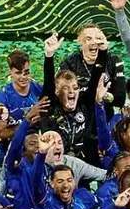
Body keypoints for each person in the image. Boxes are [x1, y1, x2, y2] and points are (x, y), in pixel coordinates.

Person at [39, 32, 103, 167]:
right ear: (57, 92)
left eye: (75, 88)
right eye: (65, 88)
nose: (72, 92)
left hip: (83, 166)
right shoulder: (50, 106)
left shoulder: (84, 104)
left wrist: (102, 52)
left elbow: (94, 80)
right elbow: (48, 85)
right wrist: (49, 56)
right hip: (55, 166)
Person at [59, 23, 125, 119]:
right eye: (88, 39)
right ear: (80, 43)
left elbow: (120, 99)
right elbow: (63, 96)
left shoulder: (114, 61)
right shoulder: (69, 63)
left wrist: (104, 96)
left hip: (105, 116)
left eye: (98, 38)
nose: (94, 42)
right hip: (78, 117)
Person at [0, 49, 43, 166]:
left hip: (34, 154)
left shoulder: (38, 89)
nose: (23, 77)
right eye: (18, 73)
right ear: (10, 72)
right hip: (9, 157)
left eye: (26, 72)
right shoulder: (3, 98)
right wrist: (27, 123)